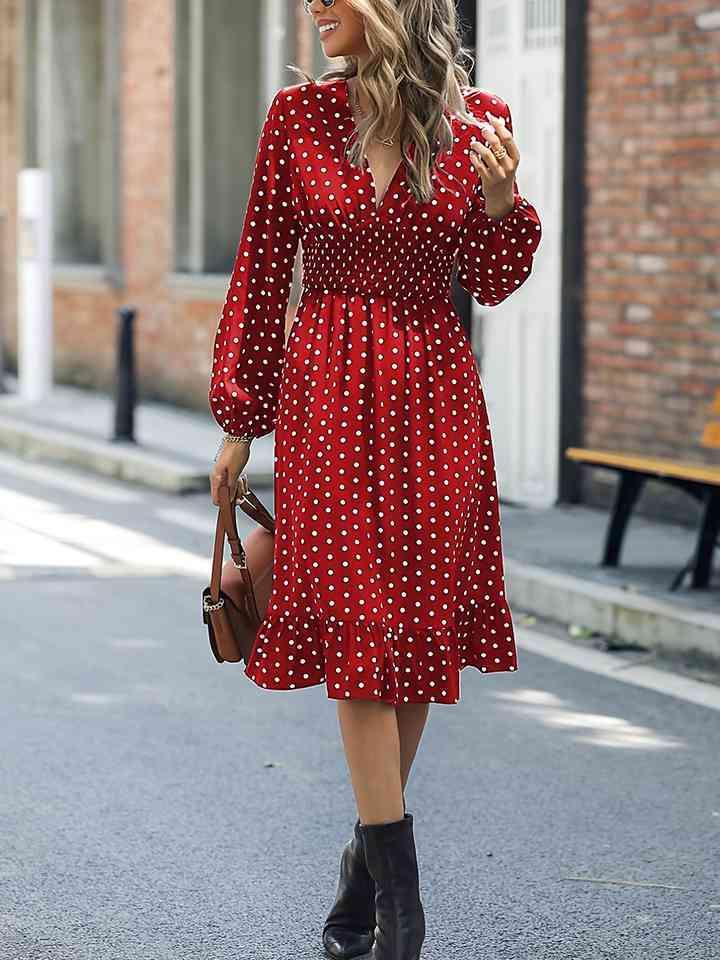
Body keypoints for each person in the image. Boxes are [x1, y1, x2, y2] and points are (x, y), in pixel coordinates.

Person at [208, 1, 542, 957]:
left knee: (417, 628)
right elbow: (263, 272)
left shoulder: (480, 122)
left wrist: (500, 208)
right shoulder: (298, 117)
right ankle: (403, 910)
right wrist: (240, 418)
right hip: (328, 403)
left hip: (434, 401)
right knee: (360, 624)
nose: (317, 2)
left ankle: (363, 874)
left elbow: (494, 277)